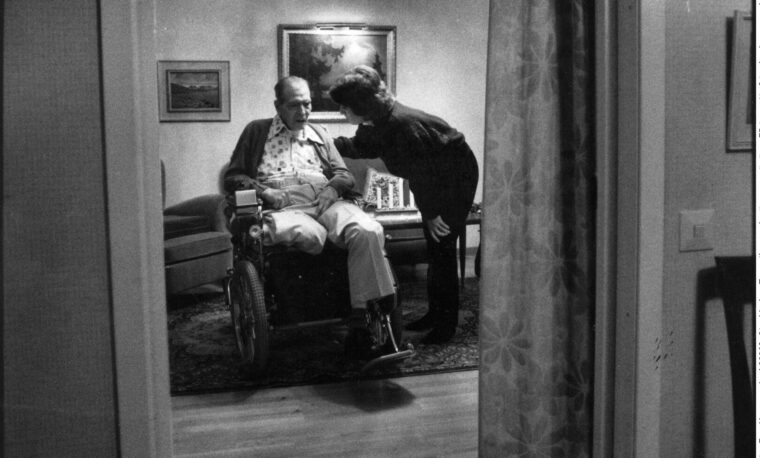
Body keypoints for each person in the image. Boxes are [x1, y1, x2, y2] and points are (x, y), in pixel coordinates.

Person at [224, 76, 397, 358]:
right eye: (295, 105)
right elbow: (234, 177)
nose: (303, 112)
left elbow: (344, 174)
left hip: (325, 200)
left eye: (307, 104)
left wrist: (332, 188)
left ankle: (359, 321)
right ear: (278, 106)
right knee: (312, 235)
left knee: (367, 229)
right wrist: (265, 192)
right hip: (283, 205)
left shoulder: (319, 133)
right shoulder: (257, 131)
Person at [329, 65, 479, 344]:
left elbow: (423, 173)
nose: (341, 111)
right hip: (435, 178)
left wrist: (432, 214)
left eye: (345, 107)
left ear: (362, 105)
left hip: (455, 178)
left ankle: (445, 327)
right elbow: (361, 147)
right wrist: (326, 143)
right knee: (436, 251)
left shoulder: (401, 125)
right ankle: (435, 315)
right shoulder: (376, 121)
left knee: (443, 250)